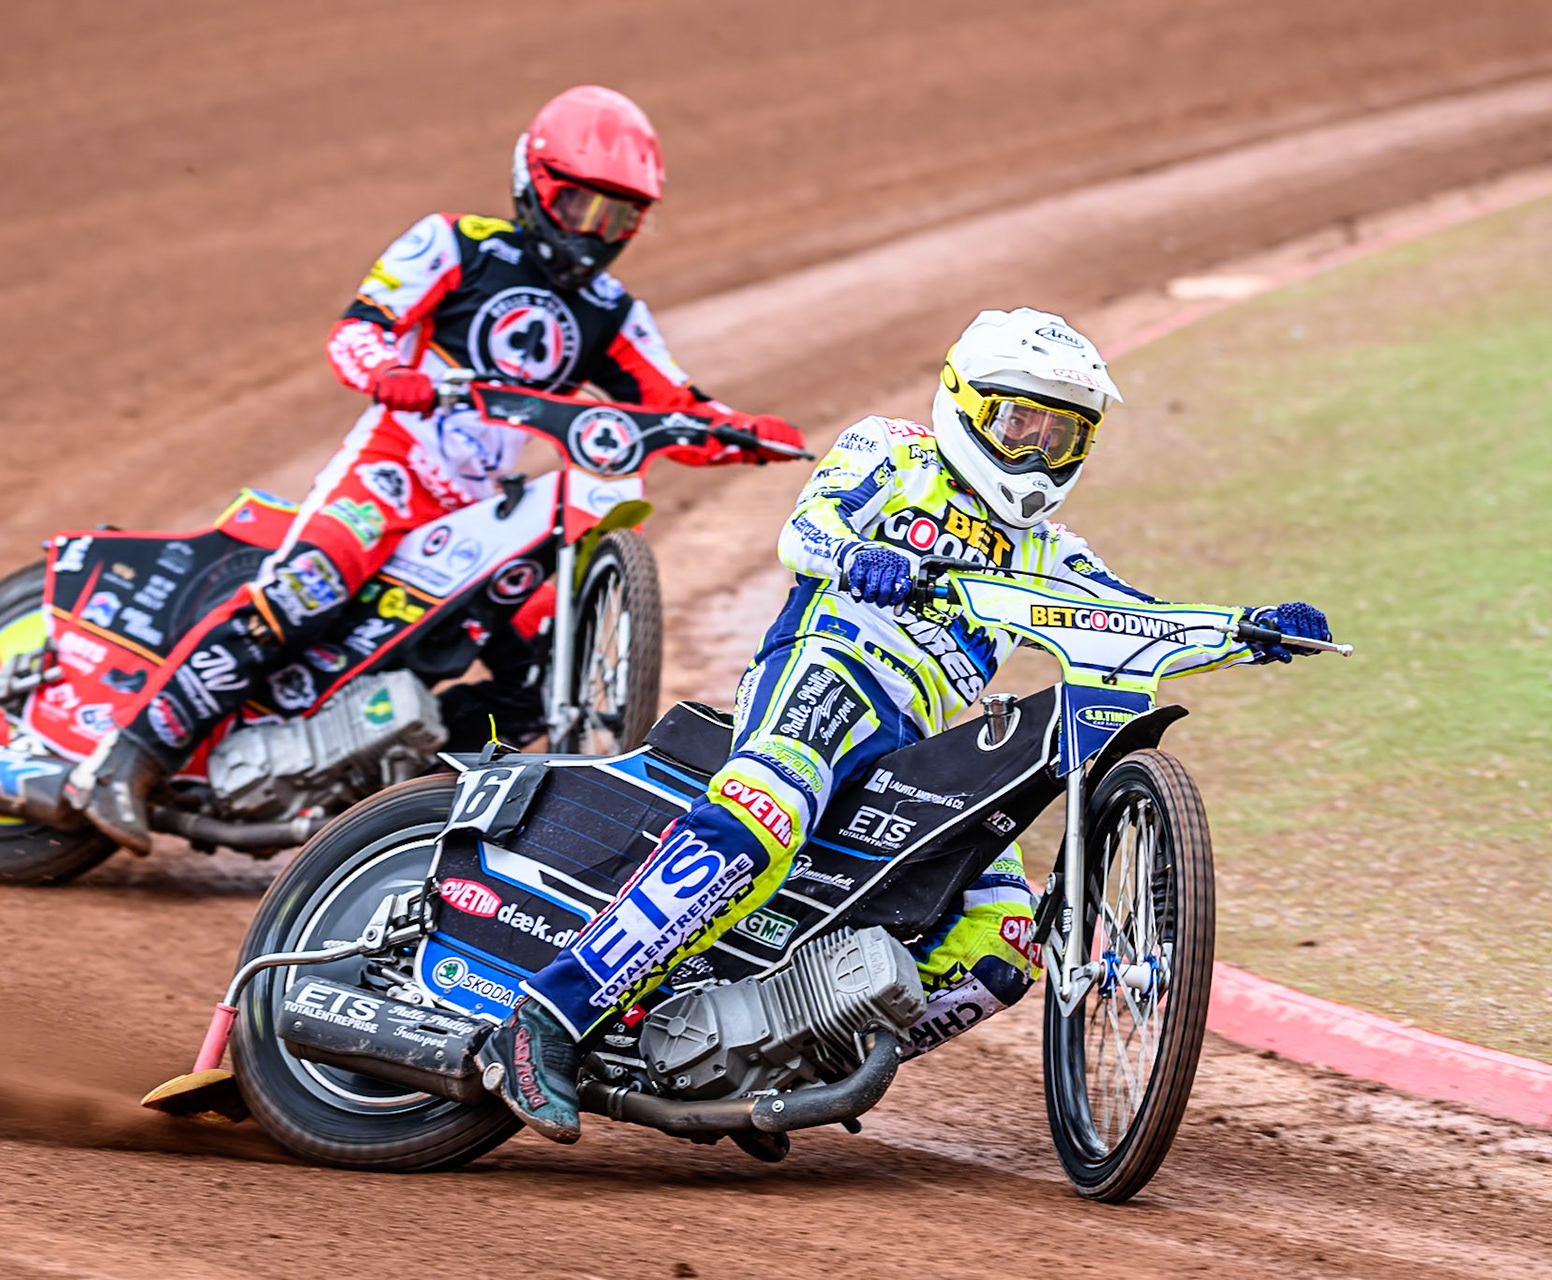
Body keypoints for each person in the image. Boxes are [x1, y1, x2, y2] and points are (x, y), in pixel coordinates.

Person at [477, 306, 1333, 1143]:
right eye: (1019, 422)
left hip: (919, 742)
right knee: (759, 822)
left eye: (1061, 436)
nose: (1037, 452)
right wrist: (859, 555)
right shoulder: (890, 452)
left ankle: (786, 1056)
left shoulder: (1051, 551)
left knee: (1001, 947)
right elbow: (804, 528)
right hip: (827, 672)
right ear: (963, 403)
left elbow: (1137, 619)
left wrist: (1247, 628)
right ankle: (545, 1017)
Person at [67, 86, 804, 851]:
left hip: (477, 512)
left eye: (616, 216)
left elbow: (673, 404)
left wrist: (742, 431)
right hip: (389, 474)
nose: (595, 231)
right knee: (305, 590)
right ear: (535, 180)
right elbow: (357, 331)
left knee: (532, 660)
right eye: (581, 205)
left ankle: (389, 789)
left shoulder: (612, 312)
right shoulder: (454, 245)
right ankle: (125, 759)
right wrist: (390, 371)